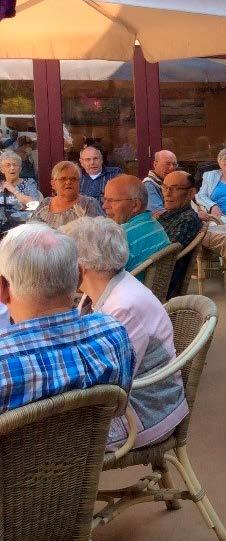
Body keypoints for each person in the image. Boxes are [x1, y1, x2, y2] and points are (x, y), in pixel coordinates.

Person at [63, 217, 188, 451]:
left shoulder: (124, 306)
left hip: (145, 414)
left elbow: (109, 382)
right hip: (134, 403)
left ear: (80, 267)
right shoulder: (104, 291)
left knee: (44, 445)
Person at [0, 223, 133, 413]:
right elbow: (118, 410)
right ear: (79, 276)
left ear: (2, 288)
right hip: (95, 442)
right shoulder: (114, 333)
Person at [102, 175, 171, 274]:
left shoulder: (120, 236)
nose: (104, 206)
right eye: (105, 200)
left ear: (135, 205)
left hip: (126, 288)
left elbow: (101, 277)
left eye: (111, 201)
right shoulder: (154, 224)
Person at [155, 170, 203, 298]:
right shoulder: (168, 215)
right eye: (164, 188)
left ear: (191, 193)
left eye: (175, 189)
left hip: (158, 283)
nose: (167, 193)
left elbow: (165, 254)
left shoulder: (187, 219)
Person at [29, 161, 103, 229]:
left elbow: (96, 235)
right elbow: (31, 228)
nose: (68, 182)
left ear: (79, 183)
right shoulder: (45, 203)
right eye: (63, 179)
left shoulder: (89, 204)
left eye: (73, 179)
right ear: (53, 184)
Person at [0, 149, 42, 220]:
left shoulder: (29, 183)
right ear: (2, 170)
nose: (12, 168)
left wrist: (14, 191)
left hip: (22, 225)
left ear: (20, 168)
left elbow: (34, 204)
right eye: (8, 165)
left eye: (15, 165)